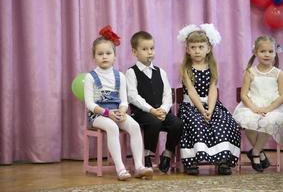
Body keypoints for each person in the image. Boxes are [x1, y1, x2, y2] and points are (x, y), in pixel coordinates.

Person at [84, 25, 153, 181]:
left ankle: (139, 166)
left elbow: (124, 100)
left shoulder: (120, 76)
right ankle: (120, 168)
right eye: (100, 54)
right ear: (94, 57)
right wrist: (108, 113)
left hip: (117, 112)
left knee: (134, 126)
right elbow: (89, 104)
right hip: (99, 115)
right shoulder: (90, 77)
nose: (104, 56)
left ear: (114, 56)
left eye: (108, 53)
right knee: (112, 127)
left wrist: (122, 111)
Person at [177, 24, 241, 175]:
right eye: (193, 47)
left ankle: (223, 161)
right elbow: (192, 92)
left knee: (225, 121)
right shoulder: (186, 68)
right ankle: (192, 162)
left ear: (208, 48)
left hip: (210, 104)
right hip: (191, 106)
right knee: (196, 122)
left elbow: (213, 89)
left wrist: (210, 109)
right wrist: (202, 110)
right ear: (187, 50)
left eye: (200, 47)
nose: (197, 51)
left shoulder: (212, 65)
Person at [126, 31, 183, 173]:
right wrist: (151, 110)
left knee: (177, 123)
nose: (149, 52)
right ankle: (146, 155)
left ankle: (167, 155)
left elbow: (167, 94)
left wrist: (163, 109)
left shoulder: (160, 72)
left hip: (160, 111)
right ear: (134, 52)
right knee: (154, 122)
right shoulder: (131, 72)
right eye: (144, 49)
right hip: (141, 113)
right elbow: (133, 96)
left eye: (151, 48)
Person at [233, 35, 283, 172]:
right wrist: (254, 108)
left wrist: (268, 108)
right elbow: (244, 94)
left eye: (270, 51)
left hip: (273, 107)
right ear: (255, 52)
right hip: (252, 105)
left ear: (275, 53)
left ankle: (255, 152)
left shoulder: (278, 73)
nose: (267, 54)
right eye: (263, 51)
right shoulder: (250, 72)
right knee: (248, 122)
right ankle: (260, 153)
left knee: (269, 121)